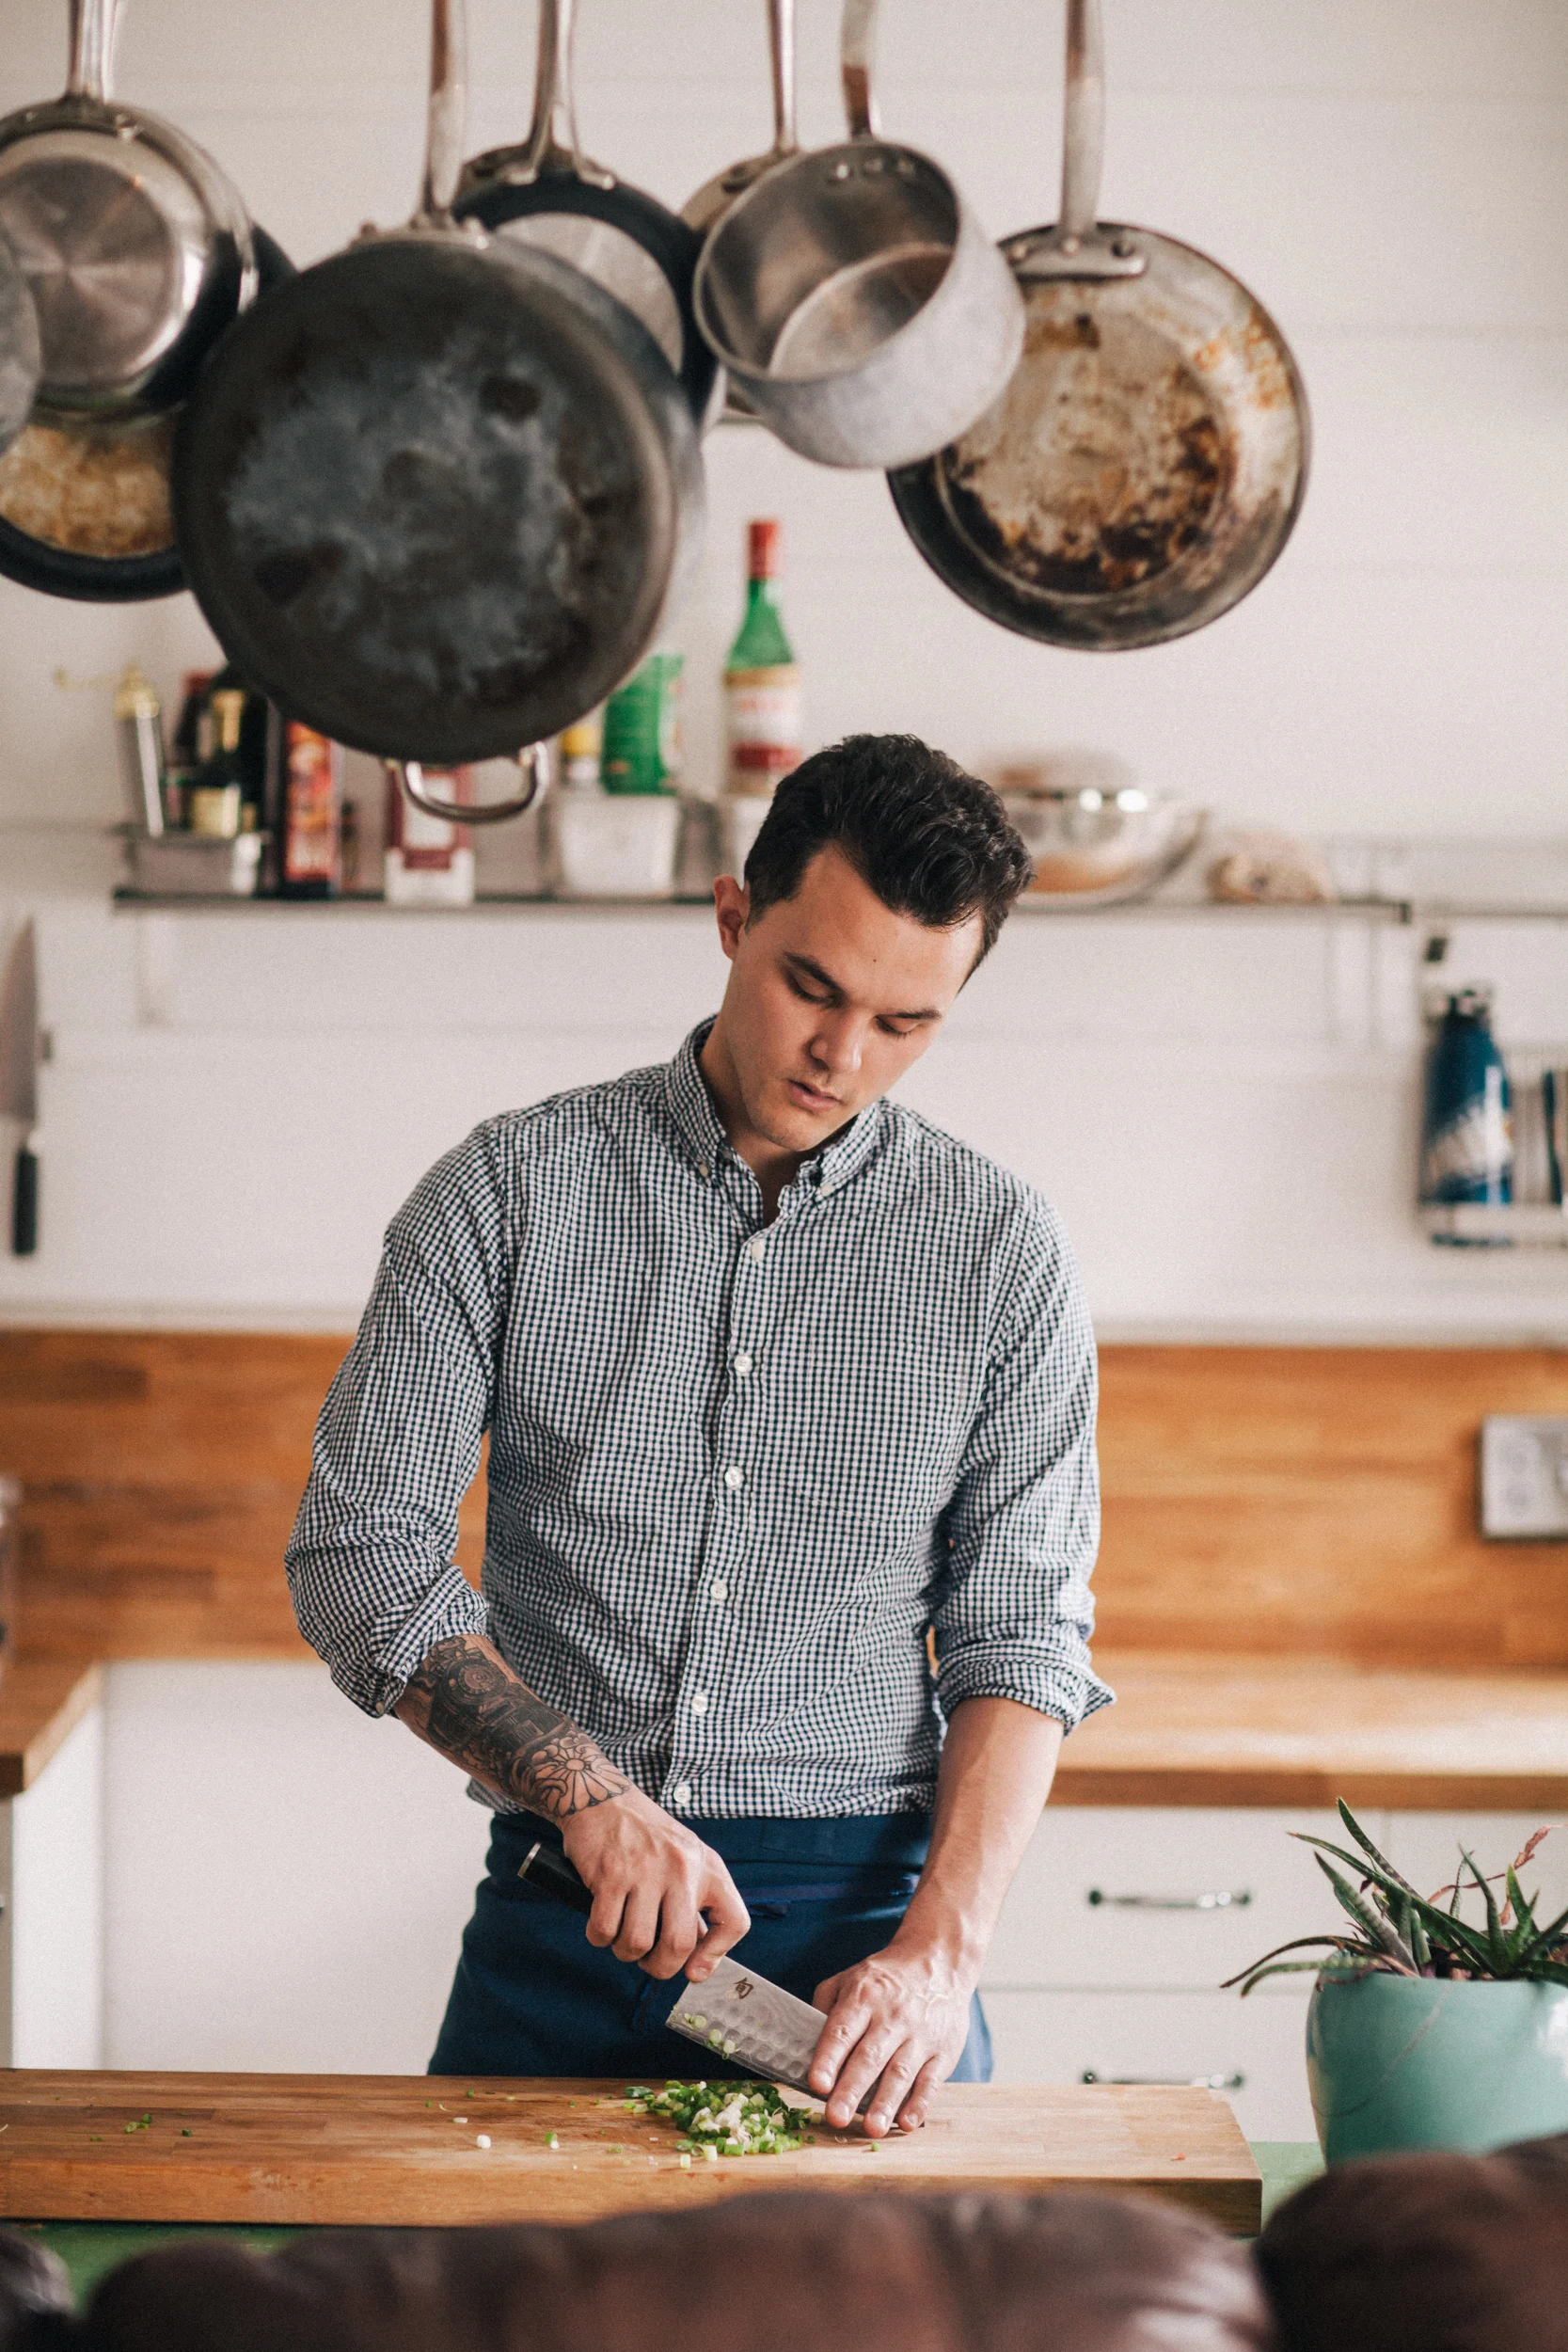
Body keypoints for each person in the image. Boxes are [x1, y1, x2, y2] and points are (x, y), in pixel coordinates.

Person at [286, 732, 1111, 2138]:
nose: (842, 1055)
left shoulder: (1001, 1252)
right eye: (812, 987)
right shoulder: (507, 1192)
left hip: (864, 1966)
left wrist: (941, 1956)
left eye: (905, 1022)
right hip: (563, 1904)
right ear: (733, 919)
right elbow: (362, 1554)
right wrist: (588, 1794)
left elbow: (1021, 1638)